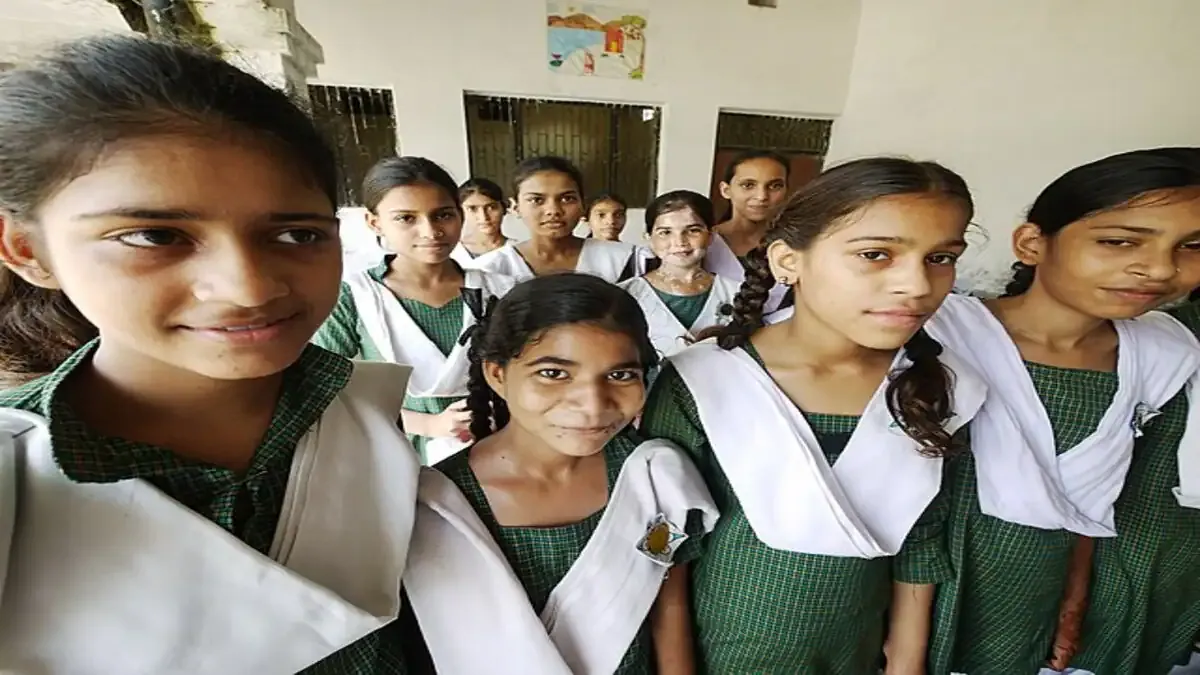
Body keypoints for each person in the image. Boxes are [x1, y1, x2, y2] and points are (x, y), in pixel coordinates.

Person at [0, 35, 418, 673]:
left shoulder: (366, 416)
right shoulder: (17, 485)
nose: (248, 287)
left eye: (295, 234)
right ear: (27, 250)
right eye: (154, 235)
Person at [642, 157, 985, 674]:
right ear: (787, 261)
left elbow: (922, 536)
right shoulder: (705, 381)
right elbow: (666, 547)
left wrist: (905, 662)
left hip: (853, 650)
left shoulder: (938, 386)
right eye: (875, 254)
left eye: (940, 257)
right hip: (722, 650)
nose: (916, 285)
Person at [925, 148, 1200, 675]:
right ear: (1032, 244)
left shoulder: (1164, 361)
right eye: (1119, 242)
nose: (1160, 268)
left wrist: (1072, 602)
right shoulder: (935, 337)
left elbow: (1100, 506)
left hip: (1047, 599)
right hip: (927, 586)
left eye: (1191, 246)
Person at [401, 273, 717, 674]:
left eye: (620, 375)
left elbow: (668, 610)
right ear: (497, 374)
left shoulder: (654, 478)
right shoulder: (435, 506)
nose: (592, 404)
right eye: (553, 373)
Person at [312, 157, 514, 465]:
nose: (430, 231)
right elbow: (326, 393)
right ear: (374, 222)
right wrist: (426, 425)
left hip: (500, 449)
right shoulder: (354, 297)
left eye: (443, 215)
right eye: (406, 218)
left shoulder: (501, 290)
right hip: (389, 456)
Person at [471, 156, 642, 282]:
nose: (553, 211)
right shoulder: (490, 270)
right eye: (536, 200)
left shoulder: (627, 260)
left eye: (567, 199)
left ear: (583, 204)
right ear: (515, 207)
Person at [618, 190, 739, 358]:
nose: (680, 242)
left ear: (710, 236)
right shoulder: (624, 295)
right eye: (665, 232)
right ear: (648, 237)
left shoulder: (737, 293)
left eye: (693, 230)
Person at [707, 149, 793, 313]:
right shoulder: (702, 244)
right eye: (748, 185)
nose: (761, 196)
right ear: (726, 190)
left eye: (775, 186)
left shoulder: (798, 246)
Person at [453, 177, 509, 264]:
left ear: (503, 208)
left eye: (491, 207)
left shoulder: (519, 251)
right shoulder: (452, 252)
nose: (484, 217)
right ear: (460, 212)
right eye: (472, 209)